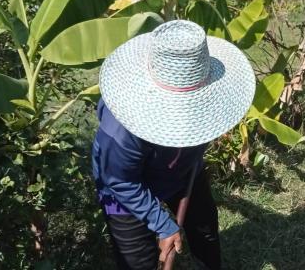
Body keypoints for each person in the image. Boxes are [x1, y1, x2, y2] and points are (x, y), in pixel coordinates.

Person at [92, 20, 256, 269]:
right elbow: (120, 180)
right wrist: (162, 224)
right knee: (139, 262)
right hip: (125, 189)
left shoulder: (208, 93)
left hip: (183, 169)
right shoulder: (122, 127)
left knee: (205, 229)